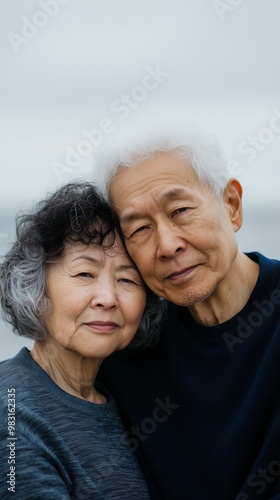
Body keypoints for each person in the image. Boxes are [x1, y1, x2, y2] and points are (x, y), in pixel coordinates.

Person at [96, 130, 280, 500]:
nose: (167, 245)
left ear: (231, 205)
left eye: (180, 210)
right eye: (140, 229)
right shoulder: (124, 353)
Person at [0, 182, 164, 499]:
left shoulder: (125, 397)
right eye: (84, 274)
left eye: (127, 279)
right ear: (35, 286)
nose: (107, 298)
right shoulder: (14, 415)